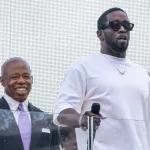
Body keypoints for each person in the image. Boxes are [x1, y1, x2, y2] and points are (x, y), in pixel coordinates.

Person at [53, 7, 150, 150]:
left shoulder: (142, 74)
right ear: (100, 34)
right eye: (115, 25)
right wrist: (81, 119)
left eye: (127, 25)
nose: (123, 29)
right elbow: (61, 113)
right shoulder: (83, 67)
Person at [0, 57, 60, 150]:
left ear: (31, 79)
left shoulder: (45, 119)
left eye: (26, 76)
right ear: (2, 81)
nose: (21, 81)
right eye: (15, 77)